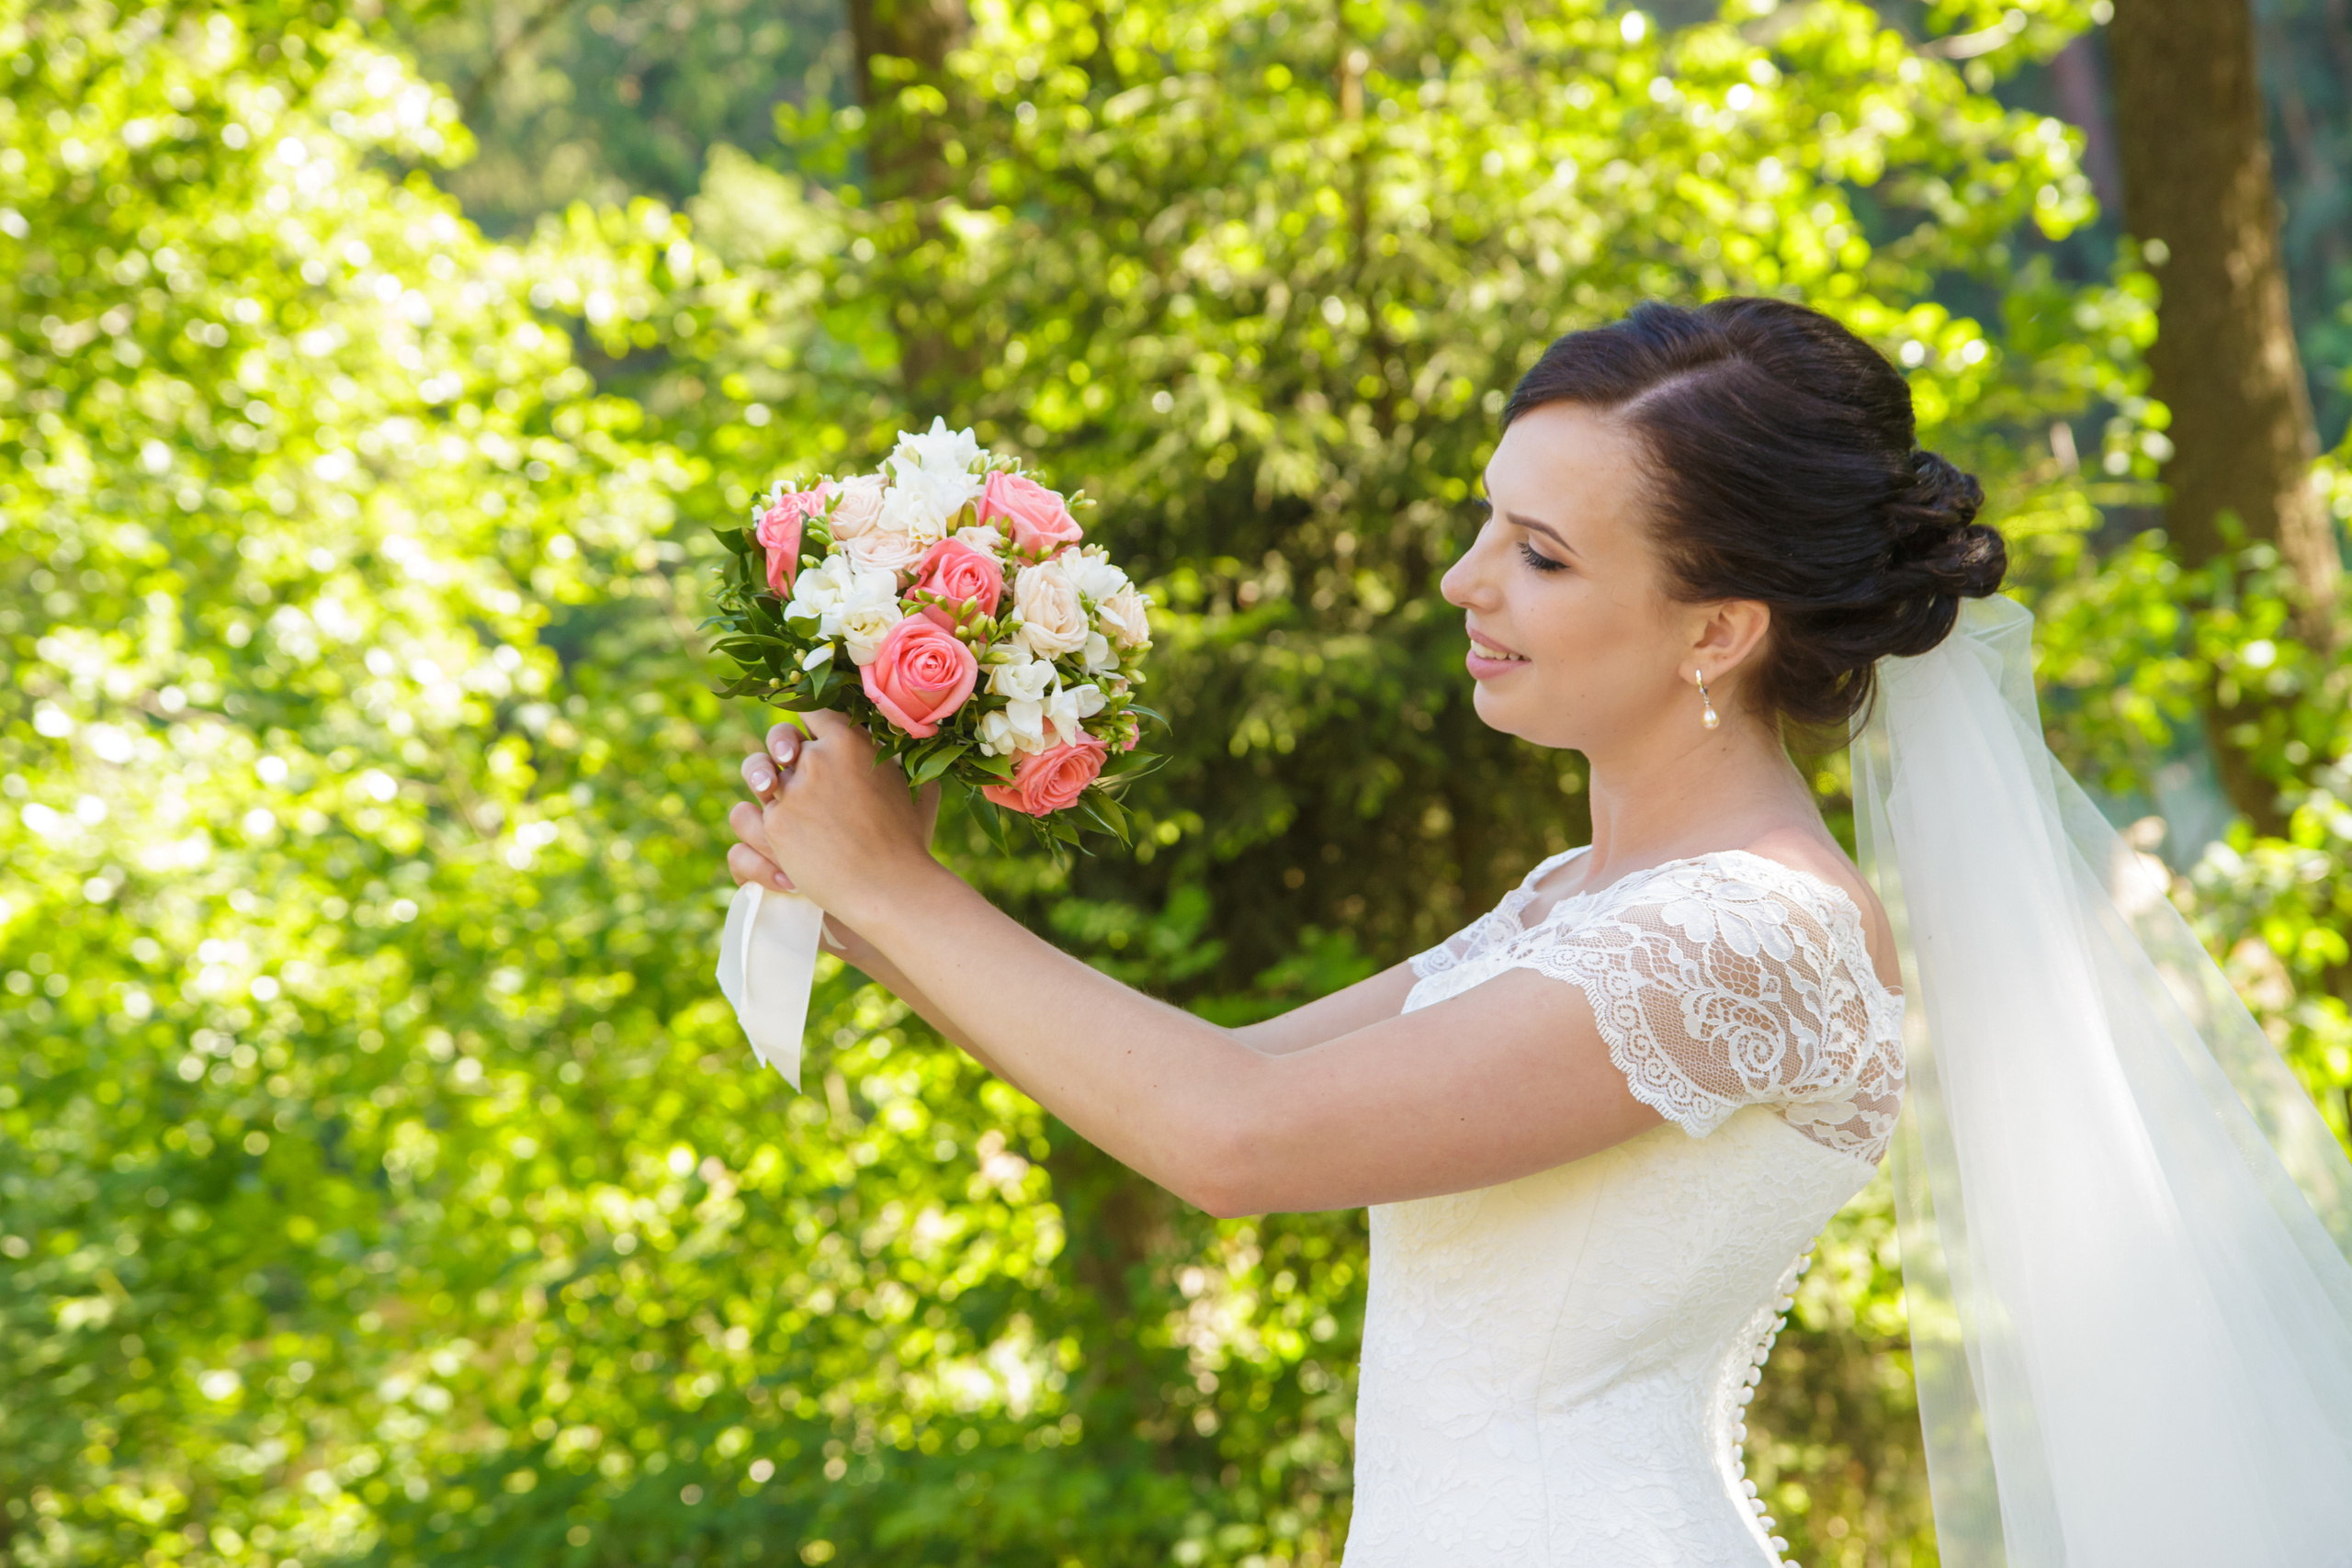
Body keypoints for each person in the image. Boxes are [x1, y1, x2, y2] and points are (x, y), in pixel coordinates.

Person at [721, 299, 2352, 1562]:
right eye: (1489, 523)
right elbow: (1202, 1083)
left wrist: (900, 893)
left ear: (1717, 629)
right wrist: (876, 882)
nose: (1459, 580)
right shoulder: (1580, 906)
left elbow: (1237, 1144)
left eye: (1540, 554)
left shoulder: (1753, 935)